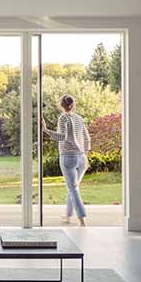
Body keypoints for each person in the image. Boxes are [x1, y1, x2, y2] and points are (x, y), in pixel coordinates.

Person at [41, 94, 91, 227]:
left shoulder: (63, 118)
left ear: (61, 105)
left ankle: (82, 220)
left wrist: (45, 130)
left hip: (68, 157)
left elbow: (62, 137)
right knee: (73, 188)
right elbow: (87, 138)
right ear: (73, 104)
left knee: (73, 188)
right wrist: (85, 154)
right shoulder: (79, 118)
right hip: (81, 157)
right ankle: (68, 215)